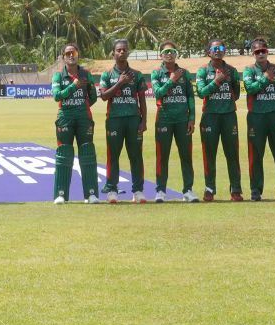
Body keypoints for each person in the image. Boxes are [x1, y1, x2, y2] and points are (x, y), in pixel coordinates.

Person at [242, 39, 275, 202]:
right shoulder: (249, 70)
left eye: (263, 50)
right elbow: (250, 89)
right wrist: (264, 78)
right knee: (255, 154)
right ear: (253, 54)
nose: (261, 54)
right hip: (256, 116)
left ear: (267, 51)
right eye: (257, 52)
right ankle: (256, 190)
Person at [96, 39, 145, 202]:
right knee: (113, 155)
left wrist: (143, 121)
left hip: (133, 119)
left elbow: (142, 100)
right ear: (113, 53)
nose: (121, 52)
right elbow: (103, 96)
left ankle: (138, 191)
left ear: (128, 52)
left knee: (136, 156)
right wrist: (120, 82)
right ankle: (112, 189)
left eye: (124, 50)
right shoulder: (107, 74)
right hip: (114, 119)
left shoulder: (137, 75)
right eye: (118, 50)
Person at [50, 43, 99, 203]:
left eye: (74, 52)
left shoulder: (86, 74)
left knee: (87, 153)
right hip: (65, 117)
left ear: (78, 55)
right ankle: (61, 194)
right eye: (68, 53)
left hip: (84, 117)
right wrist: (73, 86)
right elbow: (57, 96)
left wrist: (80, 106)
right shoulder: (58, 76)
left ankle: (91, 194)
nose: (71, 55)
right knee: (64, 154)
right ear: (63, 57)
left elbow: (93, 96)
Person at [195, 42, 243, 201]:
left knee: (232, 154)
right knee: (209, 154)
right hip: (210, 116)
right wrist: (216, 81)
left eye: (221, 48)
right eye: (214, 49)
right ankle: (209, 189)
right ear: (208, 51)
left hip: (229, 115)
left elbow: (236, 93)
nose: (218, 51)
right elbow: (201, 93)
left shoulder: (232, 71)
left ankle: (235, 190)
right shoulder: (202, 71)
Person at [150, 45, 195, 201]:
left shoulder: (185, 73)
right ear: (161, 55)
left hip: (183, 120)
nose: (169, 54)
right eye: (166, 52)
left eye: (172, 51)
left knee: (186, 156)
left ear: (176, 54)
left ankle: (188, 190)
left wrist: (192, 118)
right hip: (164, 119)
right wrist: (171, 80)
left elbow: (190, 96)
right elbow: (158, 93)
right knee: (162, 156)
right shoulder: (156, 73)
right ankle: (161, 191)